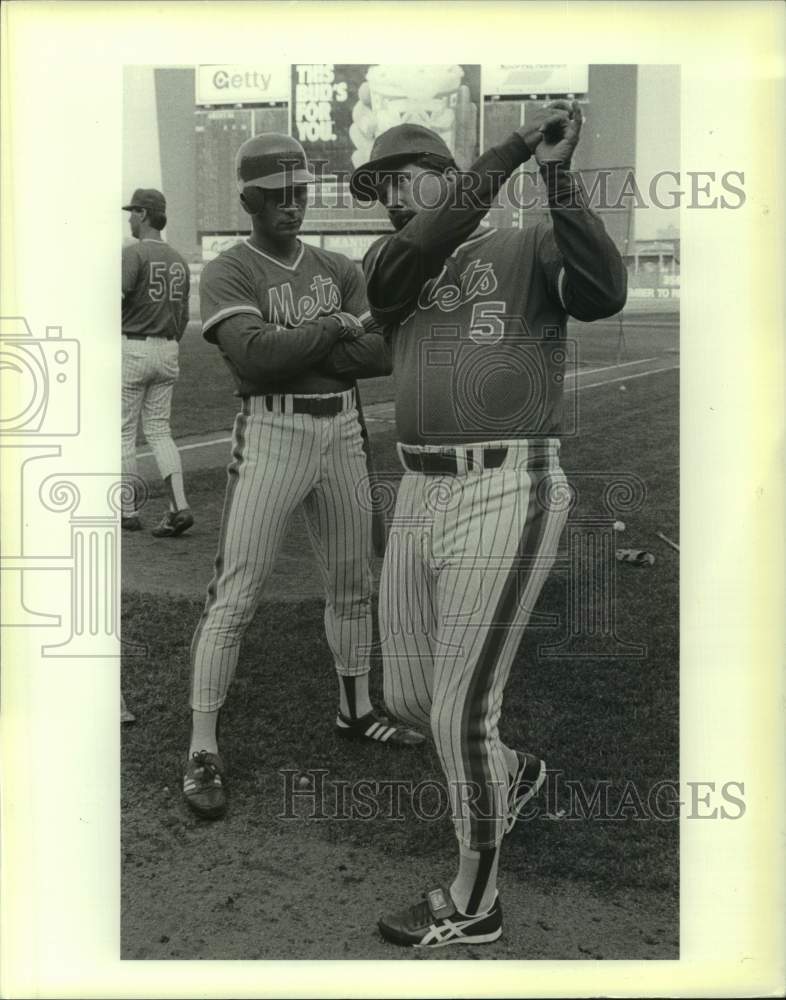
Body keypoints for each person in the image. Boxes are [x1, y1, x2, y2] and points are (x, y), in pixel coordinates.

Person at [350, 101, 627, 948]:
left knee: (458, 711)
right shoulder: (390, 261)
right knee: (403, 695)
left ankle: (476, 902)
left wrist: (553, 174)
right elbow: (413, 251)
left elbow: (606, 294)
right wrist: (509, 147)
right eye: (381, 183)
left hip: (509, 482)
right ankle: (515, 773)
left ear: (445, 174)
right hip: (421, 490)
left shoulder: (526, 243)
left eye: (406, 176)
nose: (393, 194)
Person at [183, 133, 424, 821]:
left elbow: (379, 353)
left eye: (299, 193)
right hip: (271, 430)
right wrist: (333, 330)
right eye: (276, 196)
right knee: (237, 591)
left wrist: (306, 344)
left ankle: (355, 707)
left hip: (342, 426)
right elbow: (256, 362)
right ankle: (203, 746)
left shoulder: (338, 264)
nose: (292, 205)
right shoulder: (229, 270)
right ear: (248, 200)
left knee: (353, 584)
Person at [121, 188, 193, 537]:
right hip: (168, 349)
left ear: (145, 214)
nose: (130, 218)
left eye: (133, 212)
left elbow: (115, 301)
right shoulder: (178, 259)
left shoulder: (133, 253)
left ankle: (128, 510)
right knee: (160, 431)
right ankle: (179, 505)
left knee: (122, 432)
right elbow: (180, 318)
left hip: (133, 347)